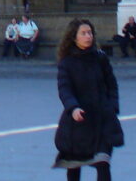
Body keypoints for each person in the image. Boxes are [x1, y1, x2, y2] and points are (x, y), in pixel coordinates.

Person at [52, 18, 123, 180]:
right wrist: (73, 107)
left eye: (90, 32)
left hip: (102, 119)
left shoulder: (100, 58)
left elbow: (112, 84)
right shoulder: (67, 62)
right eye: (83, 33)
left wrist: (112, 106)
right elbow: (64, 89)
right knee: (74, 165)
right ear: (74, 37)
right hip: (79, 121)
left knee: (103, 163)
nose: (88, 36)